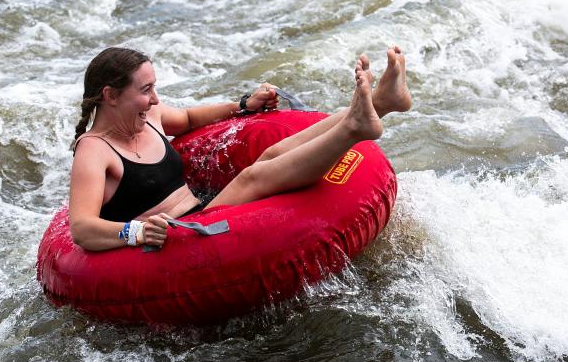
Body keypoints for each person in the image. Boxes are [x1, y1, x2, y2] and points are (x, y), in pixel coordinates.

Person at [68, 46, 412, 251]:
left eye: (154, 88)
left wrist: (244, 103)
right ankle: (354, 128)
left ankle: (380, 103)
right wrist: (138, 231)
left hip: (204, 213)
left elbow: (187, 118)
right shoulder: (95, 151)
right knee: (252, 178)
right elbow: (82, 228)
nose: (155, 99)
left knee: (271, 155)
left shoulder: (151, 114)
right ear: (111, 96)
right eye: (145, 90)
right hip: (180, 238)